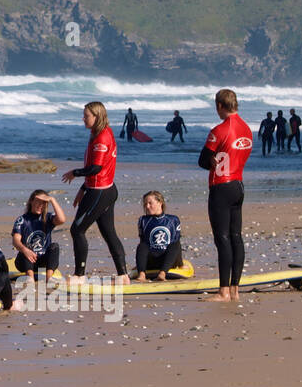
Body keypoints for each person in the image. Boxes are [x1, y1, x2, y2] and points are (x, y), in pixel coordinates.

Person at [62, 101, 128, 284]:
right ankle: (123, 276)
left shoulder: (101, 138)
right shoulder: (99, 132)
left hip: (100, 192)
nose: (83, 118)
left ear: (97, 116)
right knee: (109, 233)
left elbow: (96, 168)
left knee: (77, 230)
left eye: (86, 116)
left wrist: (75, 173)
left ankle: (79, 276)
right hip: (103, 189)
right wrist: (83, 188)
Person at [200, 88, 253, 302]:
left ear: (220, 106)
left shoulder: (219, 130)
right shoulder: (247, 129)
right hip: (238, 185)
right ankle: (235, 290)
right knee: (236, 237)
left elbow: (203, 161)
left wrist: (212, 162)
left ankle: (223, 292)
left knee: (222, 238)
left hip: (221, 187)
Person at [11, 189, 67, 281]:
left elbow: (62, 220)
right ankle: (30, 277)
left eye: (44, 203)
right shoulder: (22, 219)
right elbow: (15, 241)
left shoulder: (48, 218)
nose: (40, 205)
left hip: (43, 262)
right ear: (31, 201)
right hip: (25, 262)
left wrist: (52, 200)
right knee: (24, 249)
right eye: (38, 202)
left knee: (54, 246)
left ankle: (49, 278)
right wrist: (25, 250)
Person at [133, 191, 184, 282]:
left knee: (175, 244)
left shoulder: (173, 220)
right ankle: (141, 274)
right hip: (152, 261)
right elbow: (143, 242)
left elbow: (177, 245)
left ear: (160, 203)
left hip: (168, 261)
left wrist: (181, 264)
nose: (147, 206)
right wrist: (140, 265)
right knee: (142, 245)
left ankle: (162, 274)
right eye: (145, 204)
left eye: (150, 203)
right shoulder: (143, 220)